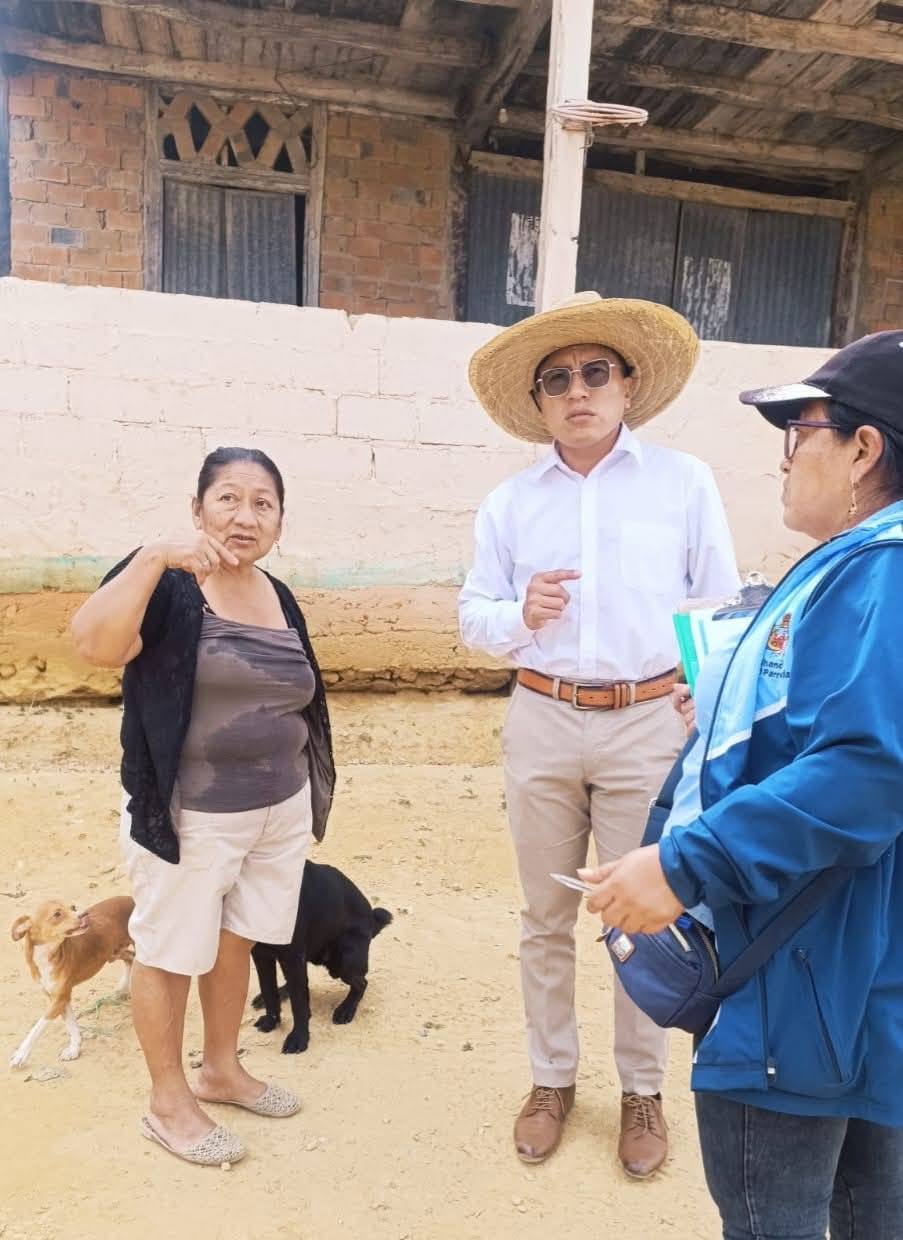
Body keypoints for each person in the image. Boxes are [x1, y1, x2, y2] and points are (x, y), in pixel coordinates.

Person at [580, 330, 903, 1238]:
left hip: (801, 977)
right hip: (863, 973)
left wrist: (685, 863)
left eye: (800, 433)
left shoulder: (877, 568)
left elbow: (869, 770)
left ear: (862, 448)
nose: (786, 458)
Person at [458, 292, 739, 1173]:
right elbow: (472, 616)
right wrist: (519, 614)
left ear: (627, 385)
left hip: (648, 723)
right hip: (542, 717)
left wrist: (707, 706)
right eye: (557, 380)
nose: (577, 391)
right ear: (538, 402)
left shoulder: (682, 483)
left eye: (594, 372)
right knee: (544, 915)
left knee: (642, 912)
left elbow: (717, 604)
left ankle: (640, 1091)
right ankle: (550, 1080)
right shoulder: (509, 503)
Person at [70, 446, 335, 1167]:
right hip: (190, 814)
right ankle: (168, 1103)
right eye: (228, 499)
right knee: (168, 951)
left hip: (275, 810)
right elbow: (94, 645)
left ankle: (220, 1069)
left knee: (236, 938)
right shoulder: (165, 582)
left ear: (279, 521)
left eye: (263, 503)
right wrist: (155, 555)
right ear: (197, 509)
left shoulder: (278, 594)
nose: (246, 516)